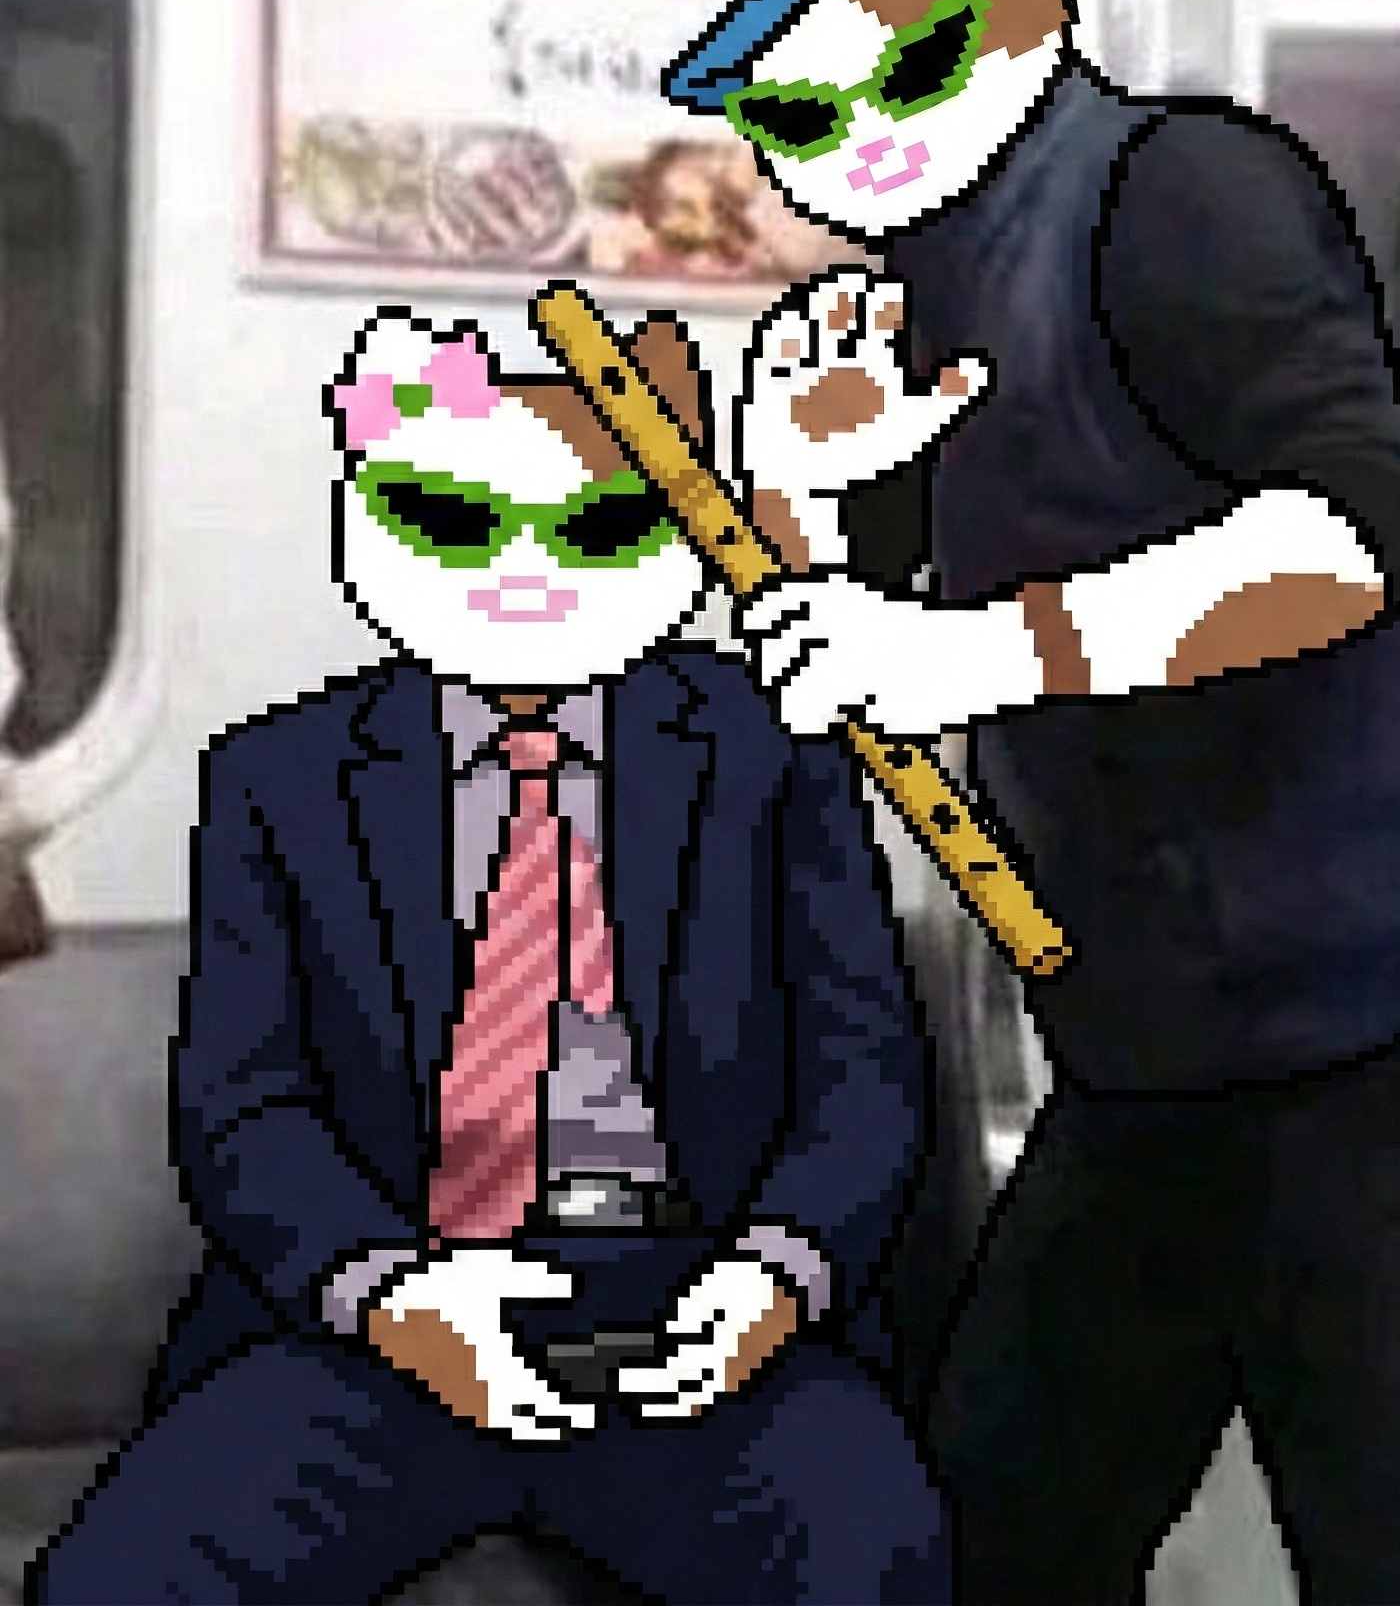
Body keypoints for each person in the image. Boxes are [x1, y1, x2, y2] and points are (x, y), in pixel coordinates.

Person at [666, 0, 1400, 1604]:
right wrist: (802, 494)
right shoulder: (907, 304)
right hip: (1147, 1062)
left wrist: (984, 653)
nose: (845, 146)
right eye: (795, 116)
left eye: (879, 74)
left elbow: (1349, 540)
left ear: (1004, 9)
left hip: (1399, 1041)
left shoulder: (1189, 194)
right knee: (993, 1540)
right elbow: (856, 658)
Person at [27, 307, 948, 1604]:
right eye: (458, 524)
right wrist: (393, 1298)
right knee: (116, 1584)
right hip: (381, 1322)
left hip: (697, 1312)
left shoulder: (775, 759)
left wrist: (773, 1281)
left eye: (597, 531)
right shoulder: (280, 780)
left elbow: (864, 1083)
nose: (525, 571)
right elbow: (244, 1109)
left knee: (874, 1555)